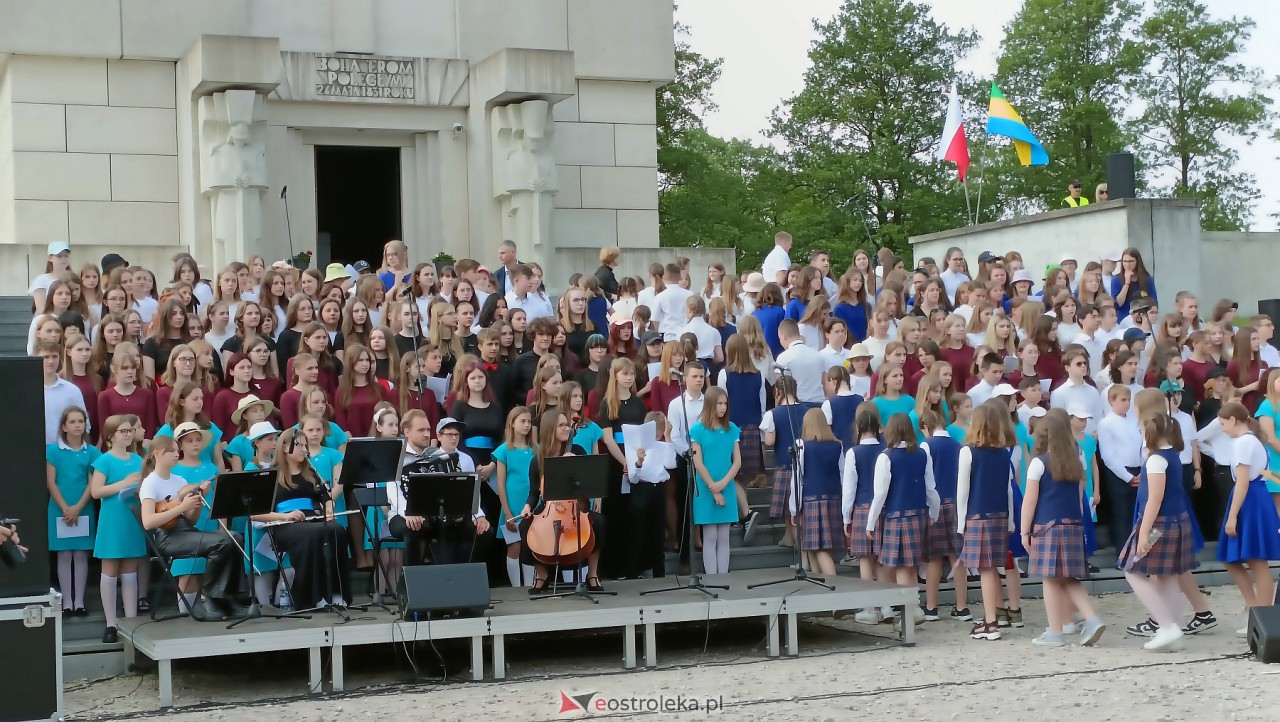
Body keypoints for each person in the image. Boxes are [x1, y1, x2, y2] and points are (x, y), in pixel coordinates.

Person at [138, 434, 247, 622]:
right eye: (171, 450)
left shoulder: (179, 480)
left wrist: (196, 501)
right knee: (221, 542)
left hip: (185, 532)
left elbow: (190, 521)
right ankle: (209, 599)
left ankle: (228, 598)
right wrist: (181, 507)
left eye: (176, 450)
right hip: (168, 537)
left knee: (235, 537)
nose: (176, 453)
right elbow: (148, 521)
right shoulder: (151, 482)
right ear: (156, 454)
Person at [1019, 411, 1106, 647]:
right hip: (1073, 524)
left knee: (1049, 579)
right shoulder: (1076, 461)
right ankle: (1092, 619)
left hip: (1047, 526)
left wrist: (1024, 531)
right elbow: (1079, 497)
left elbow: (1030, 500)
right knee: (1068, 578)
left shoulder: (1038, 463)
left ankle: (1055, 632)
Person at [1119, 414, 1196, 652]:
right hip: (1176, 521)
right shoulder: (1173, 454)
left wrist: (1143, 534)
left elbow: (1155, 498)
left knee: (1131, 569)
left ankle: (1165, 625)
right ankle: (1172, 628)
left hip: (1158, 526)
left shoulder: (1156, 460)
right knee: (1169, 576)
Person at [253, 426, 353, 610]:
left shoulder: (311, 472)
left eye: (305, 446)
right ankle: (314, 595)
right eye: (299, 445)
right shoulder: (271, 475)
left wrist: (329, 509)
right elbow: (255, 513)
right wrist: (285, 516)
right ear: (285, 448)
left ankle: (336, 592)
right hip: (285, 523)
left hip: (310, 519)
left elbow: (326, 499)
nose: (304, 450)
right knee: (313, 534)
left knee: (336, 530)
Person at [516, 411, 607, 593]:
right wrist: (527, 507)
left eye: (567, 425)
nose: (566, 428)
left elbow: (589, 485)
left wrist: (575, 467)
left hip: (576, 506)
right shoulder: (538, 460)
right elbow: (534, 493)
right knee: (525, 526)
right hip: (549, 507)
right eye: (561, 425)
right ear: (550, 429)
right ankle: (542, 575)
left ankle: (592, 575)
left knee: (599, 522)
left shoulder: (578, 451)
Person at [867, 412, 939, 628]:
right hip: (919, 514)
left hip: (896, 516)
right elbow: (931, 488)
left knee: (900, 567)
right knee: (911, 567)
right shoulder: (921, 454)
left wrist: (870, 522)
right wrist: (934, 512)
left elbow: (880, 494)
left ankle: (909, 613)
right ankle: (915, 608)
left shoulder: (886, 456)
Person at [1216, 402, 1280, 636]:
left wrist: (1232, 516)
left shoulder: (1244, 442)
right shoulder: (1250, 440)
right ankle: (1253, 608)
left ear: (1233, 420)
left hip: (1250, 499)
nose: (1222, 428)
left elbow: (1243, 481)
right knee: (1232, 558)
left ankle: (1261, 617)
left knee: (1256, 560)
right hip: (1252, 497)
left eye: (1223, 424)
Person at [90, 415, 145, 643]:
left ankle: (131, 622)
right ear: (111, 436)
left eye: (130, 430)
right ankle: (111, 623)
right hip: (112, 519)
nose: (128, 434)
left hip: (132, 517)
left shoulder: (138, 459)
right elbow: (96, 491)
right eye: (123, 431)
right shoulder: (104, 460)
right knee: (110, 570)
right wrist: (123, 484)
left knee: (130, 570)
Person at [46, 406, 101, 617]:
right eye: (73, 421)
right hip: (59, 508)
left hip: (83, 507)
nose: (77, 425)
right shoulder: (52, 451)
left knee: (80, 555)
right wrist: (65, 508)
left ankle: (79, 601)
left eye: (81, 421)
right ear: (64, 426)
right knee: (64, 555)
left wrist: (78, 507)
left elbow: (91, 483)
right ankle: (66, 602)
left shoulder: (93, 452)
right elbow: (51, 482)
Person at [919, 410, 970, 623]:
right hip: (957, 504)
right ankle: (962, 607)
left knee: (934, 557)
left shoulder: (926, 446)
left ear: (926, 426)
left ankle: (931, 607)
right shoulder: (959, 446)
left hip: (936, 504)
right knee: (957, 557)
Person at [689, 387, 741, 575]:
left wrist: (723, 484)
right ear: (710, 404)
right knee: (710, 535)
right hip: (705, 487)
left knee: (724, 537)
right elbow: (698, 462)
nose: (723, 407)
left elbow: (737, 461)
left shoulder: (732, 429)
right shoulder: (698, 430)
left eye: (725, 403)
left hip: (726, 486)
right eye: (719, 403)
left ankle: (723, 577)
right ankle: (712, 578)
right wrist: (714, 488)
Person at [793, 409, 842, 578]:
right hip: (833, 500)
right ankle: (821, 588)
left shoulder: (802, 445)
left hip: (811, 500)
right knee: (813, 548)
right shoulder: (838, 446)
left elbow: (797, 479)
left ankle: (833, 591)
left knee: (819, 549)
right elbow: (842, 475)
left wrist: (794, 508)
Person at [495, 406, 537, 588]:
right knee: (514, 547)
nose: (527, 425)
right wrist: (506, 511)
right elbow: (501, 484)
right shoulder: (503, 450)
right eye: (522, 421)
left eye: (529, 421)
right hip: (512, 503)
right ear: (512, 423)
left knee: (531, 546)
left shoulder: (536, 449)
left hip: (532, 502)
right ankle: (516, 588)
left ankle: (529, 585)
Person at [776, 320, 825, 404]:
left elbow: (779, 390)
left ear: (783, 337)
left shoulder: (783, 358)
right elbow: (825, 383)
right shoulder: (818, 355)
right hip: (819, 402)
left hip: (796, 406)